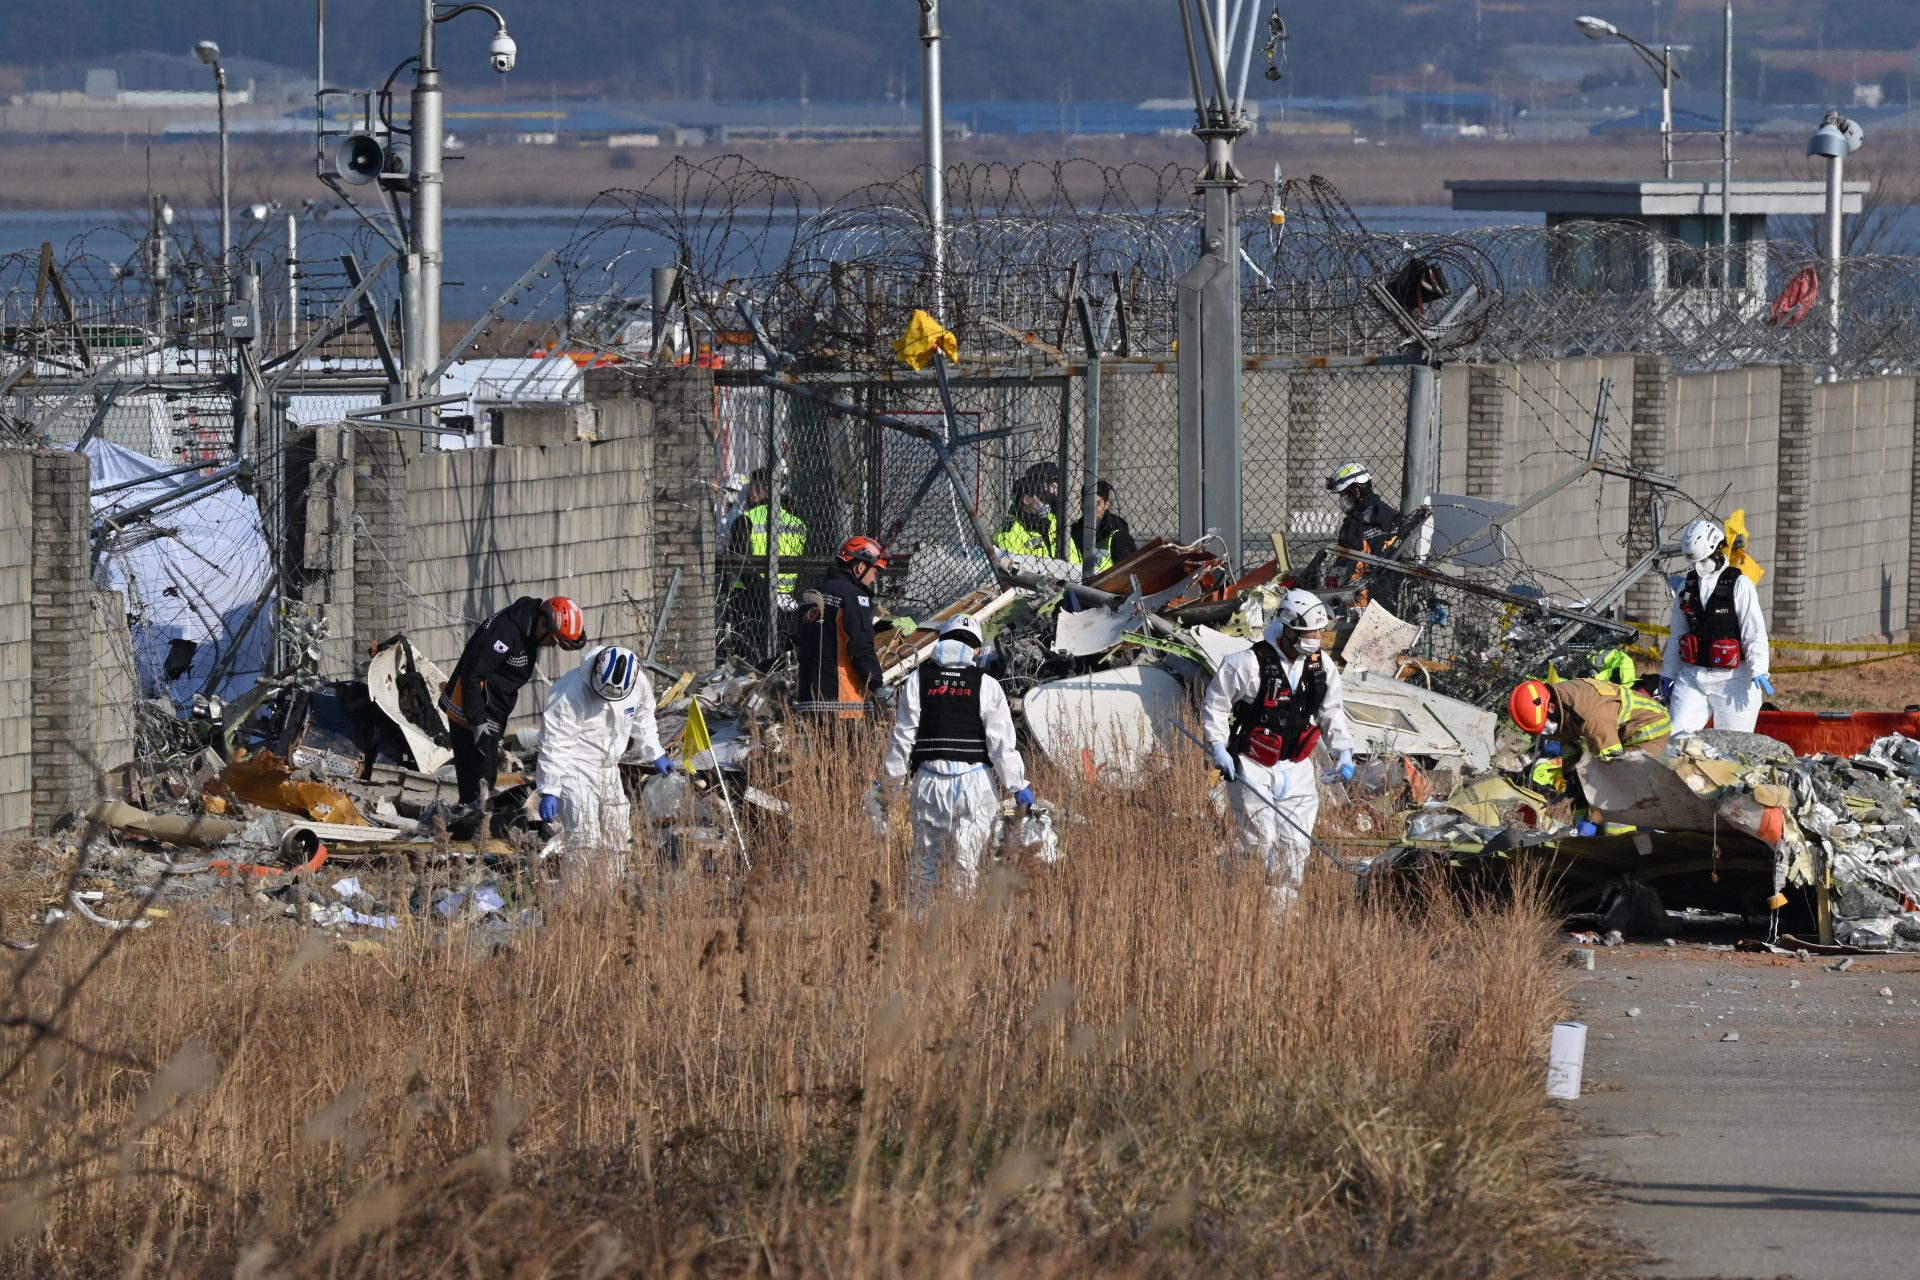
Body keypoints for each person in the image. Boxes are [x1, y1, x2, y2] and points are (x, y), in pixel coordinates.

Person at [1202, 588, 1356, 906]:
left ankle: (1279, 917)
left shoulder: (1321, 667)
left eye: (1318, 631)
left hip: (1297, 765)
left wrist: (1343, 751)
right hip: (1251, 762)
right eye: (1307, 632)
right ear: (1287, 628)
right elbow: (1215, 705)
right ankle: (1230, 896)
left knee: (1295, 845)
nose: (1314, 637)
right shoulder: (1247, 663)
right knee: (1260, 840)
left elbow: (1331, 710)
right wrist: (1217, 746)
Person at [876, 614, 1032, 898]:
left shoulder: (918, 680)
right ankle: (961, 933)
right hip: (975, 785)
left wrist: (891, 788)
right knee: (966, 865)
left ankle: (920, 928)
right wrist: (1018, 786)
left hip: (928, 783)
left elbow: (902, 738)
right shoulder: (986, 684)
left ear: (942, 641)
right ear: (976, 649)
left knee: (925, 865)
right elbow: (1001, 744)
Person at [439, 595, 587, 836]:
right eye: (554, 639)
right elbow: (472, 676)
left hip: (490, 713)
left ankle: (474, 831)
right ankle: (466, 837)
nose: (553, 646)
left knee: (487, 778)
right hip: (470, 713)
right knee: (478, 784)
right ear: (543, 624)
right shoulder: (505, 634)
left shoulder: (527, 630)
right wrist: (477, 721)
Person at [536, 645, 673, 883]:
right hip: (574, 768)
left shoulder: (637, 683)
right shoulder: (569, 693)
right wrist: (549, 788)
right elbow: (555, 744)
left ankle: (606, 899)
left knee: (617, 836)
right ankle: (574, 905)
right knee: (583, 840)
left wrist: (655, 753)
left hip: (609, 768)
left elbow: (643, 718)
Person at [1661, 516, 1772, 735]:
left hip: (1734, 681)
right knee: (1676, 737)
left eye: (1704, 560)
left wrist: (1759, 669)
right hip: (1693, 677)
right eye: (1696, 563)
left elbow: (1754, 633)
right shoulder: (1687, 587)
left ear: (1715, 552)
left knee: (1732, 745)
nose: (1700, 567)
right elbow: (1677, 635)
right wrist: (1669, 672)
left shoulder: (1739, 585)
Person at [795, 535, 888, 717]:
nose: (874, 579)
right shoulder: (853, 596)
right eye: (874, 572)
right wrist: (877, 687)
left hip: (809, 702)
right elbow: (860, 647)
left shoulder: (811, 595)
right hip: (844, 705)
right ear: (861, 567)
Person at [723, 468, 808, 658]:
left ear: (758, 492)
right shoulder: (798, 523)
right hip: (788, 604)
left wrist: (766, 595)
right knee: (782, 661)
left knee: (752, 664)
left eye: (751, 487)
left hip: (750, 603)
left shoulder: (745, 521)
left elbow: (741, 565)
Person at [995, 471, 1081, 564]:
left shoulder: (1054, 520)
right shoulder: (1012, 532)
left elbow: (1074, 557)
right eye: (1042, 499)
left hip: (1073, 575)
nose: (1047, 504)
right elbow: (1013, 570)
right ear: (1026, 500)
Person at [1076, 478, 1138, 575]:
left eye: (1096, 503)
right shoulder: (1074, 531)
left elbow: (1131, 571)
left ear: (1106, 504)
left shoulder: (1118, 534)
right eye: (1086, 502)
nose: (1090, 508)